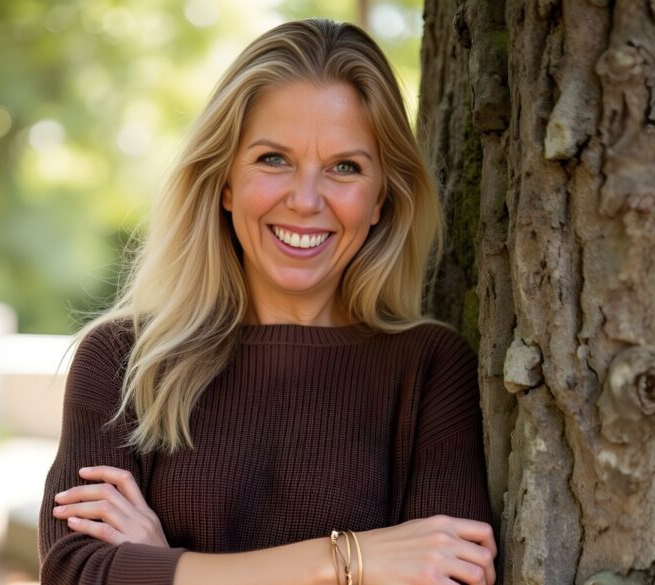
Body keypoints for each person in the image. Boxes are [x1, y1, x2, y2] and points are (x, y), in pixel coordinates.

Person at [38, 18, 496, 585]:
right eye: (273, 159)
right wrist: (352, 561)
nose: (305, 200)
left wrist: (163, 567)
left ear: (382, 197)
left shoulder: (429, 368)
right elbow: (77, 574)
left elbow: (451, 573)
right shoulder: (124, 361)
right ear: (225, 180)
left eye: (344, 167)